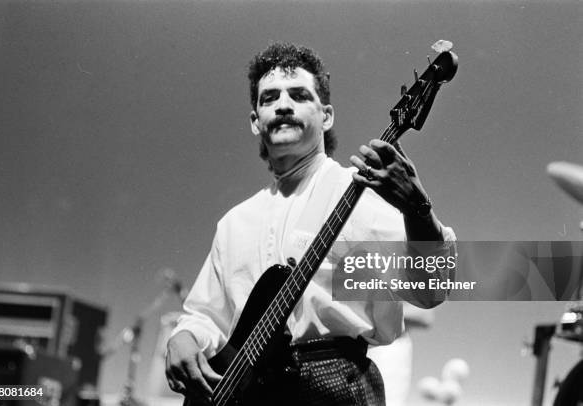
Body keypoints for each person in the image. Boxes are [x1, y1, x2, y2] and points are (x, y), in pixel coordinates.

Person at [165, 42, 456, 406]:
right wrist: (184, 337)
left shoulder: (362, 194)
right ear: (255, 121)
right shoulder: (234, 224)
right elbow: (205, 315)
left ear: (327, 115)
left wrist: (418, 209)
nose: (283, 105)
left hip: (334, 385)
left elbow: (431, 289)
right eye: (269, 98)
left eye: (299, 95)